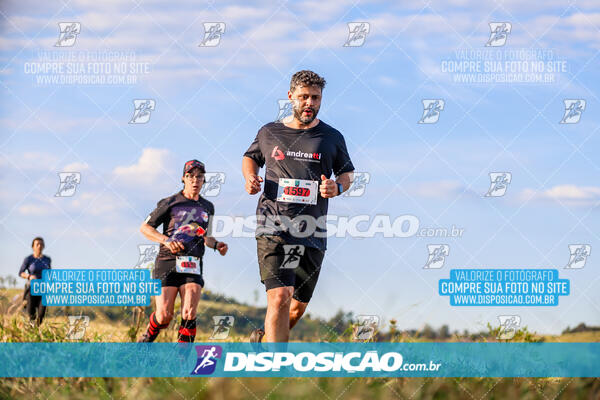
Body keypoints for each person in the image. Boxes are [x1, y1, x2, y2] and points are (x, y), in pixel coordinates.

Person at [243, 70, 355, 343]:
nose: (309, 103)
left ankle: (264, 340)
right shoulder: (270, 132)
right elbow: (250, 157)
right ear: (290, 96)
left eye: (315, 98)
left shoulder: (331, 137)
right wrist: (250, 177)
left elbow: (348, 174)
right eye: (304, 96)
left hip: (311, 231)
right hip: (274, 226)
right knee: (280, 297)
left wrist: (337, 187)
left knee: (296, 306)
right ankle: (273, 372)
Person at [137, 160, 228, 343]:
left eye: (199, 177)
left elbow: (205, 236)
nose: (195, 180)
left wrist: (217, 245)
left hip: (192, 263)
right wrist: (166, 240)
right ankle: (146, 340)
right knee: (164, 317)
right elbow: (145, 228)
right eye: (191, 176)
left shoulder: (208, 207)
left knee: (189, 312)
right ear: (183, 178)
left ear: (204, 180)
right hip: (167, 261)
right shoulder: (169, 202)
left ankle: (181, 362)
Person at [19, 237, 51, 325]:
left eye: (41, 244)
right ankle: (32, 332)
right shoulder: (28, 259)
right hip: (31, 289)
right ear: (33, 246)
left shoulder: (47, 259)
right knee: (31, 314)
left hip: (43, 290)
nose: (39, 246)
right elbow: (21, 272)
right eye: (37, 244)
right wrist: (29, 276)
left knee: (41, 314)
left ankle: (37, 331)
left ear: (43, 246)